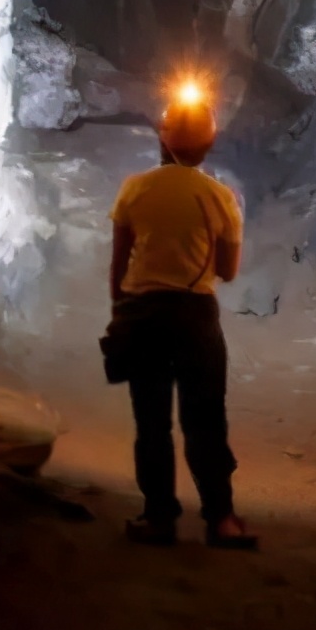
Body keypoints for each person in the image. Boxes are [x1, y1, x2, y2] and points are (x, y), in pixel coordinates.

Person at [106, 88, 257, 549]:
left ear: (163, 137)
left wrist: (120, 314)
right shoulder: (220, 197)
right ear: (210, 144)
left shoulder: (135, 188)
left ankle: (158, 518)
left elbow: (119, 263)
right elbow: (228, 272)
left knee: (151, 421)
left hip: (142, 312)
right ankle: (222, 519)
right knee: (206, 419)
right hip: (195, 316)